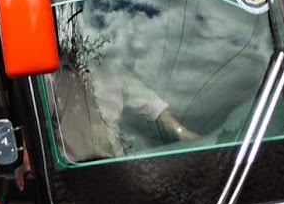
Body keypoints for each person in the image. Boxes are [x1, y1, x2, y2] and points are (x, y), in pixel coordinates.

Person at [52, 56, 198, 163]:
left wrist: (181, 131)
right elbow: (39, 121)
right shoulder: (54, 76)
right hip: (73, 172)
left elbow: (152, 105)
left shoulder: (113, 69)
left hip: (117, 166)